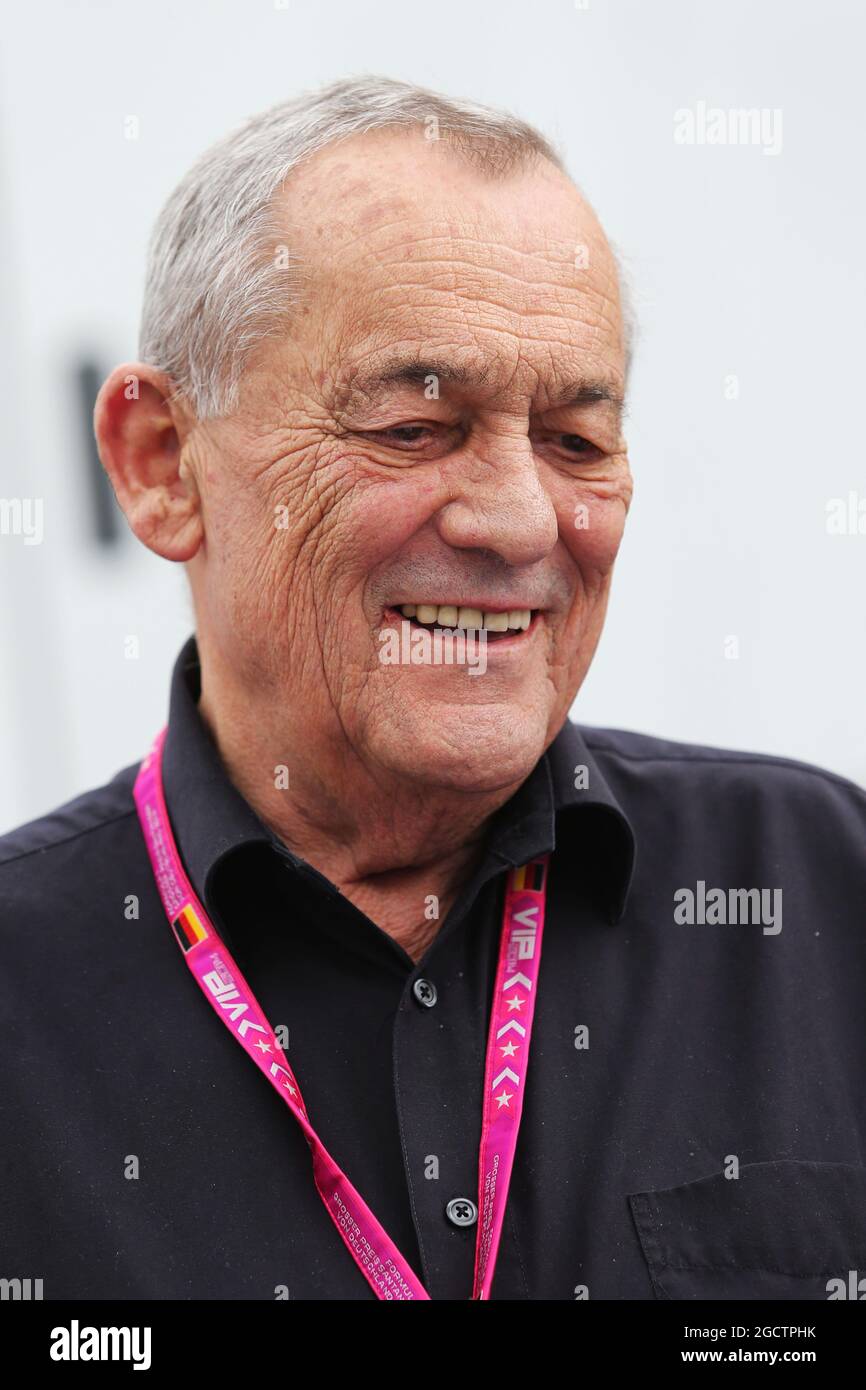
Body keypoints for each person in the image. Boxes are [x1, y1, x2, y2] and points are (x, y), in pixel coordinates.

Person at [2, 76, 865, 1302]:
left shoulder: (823, 892)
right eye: (414, 426)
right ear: (162, 467)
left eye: (573, 439)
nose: (519, 521)